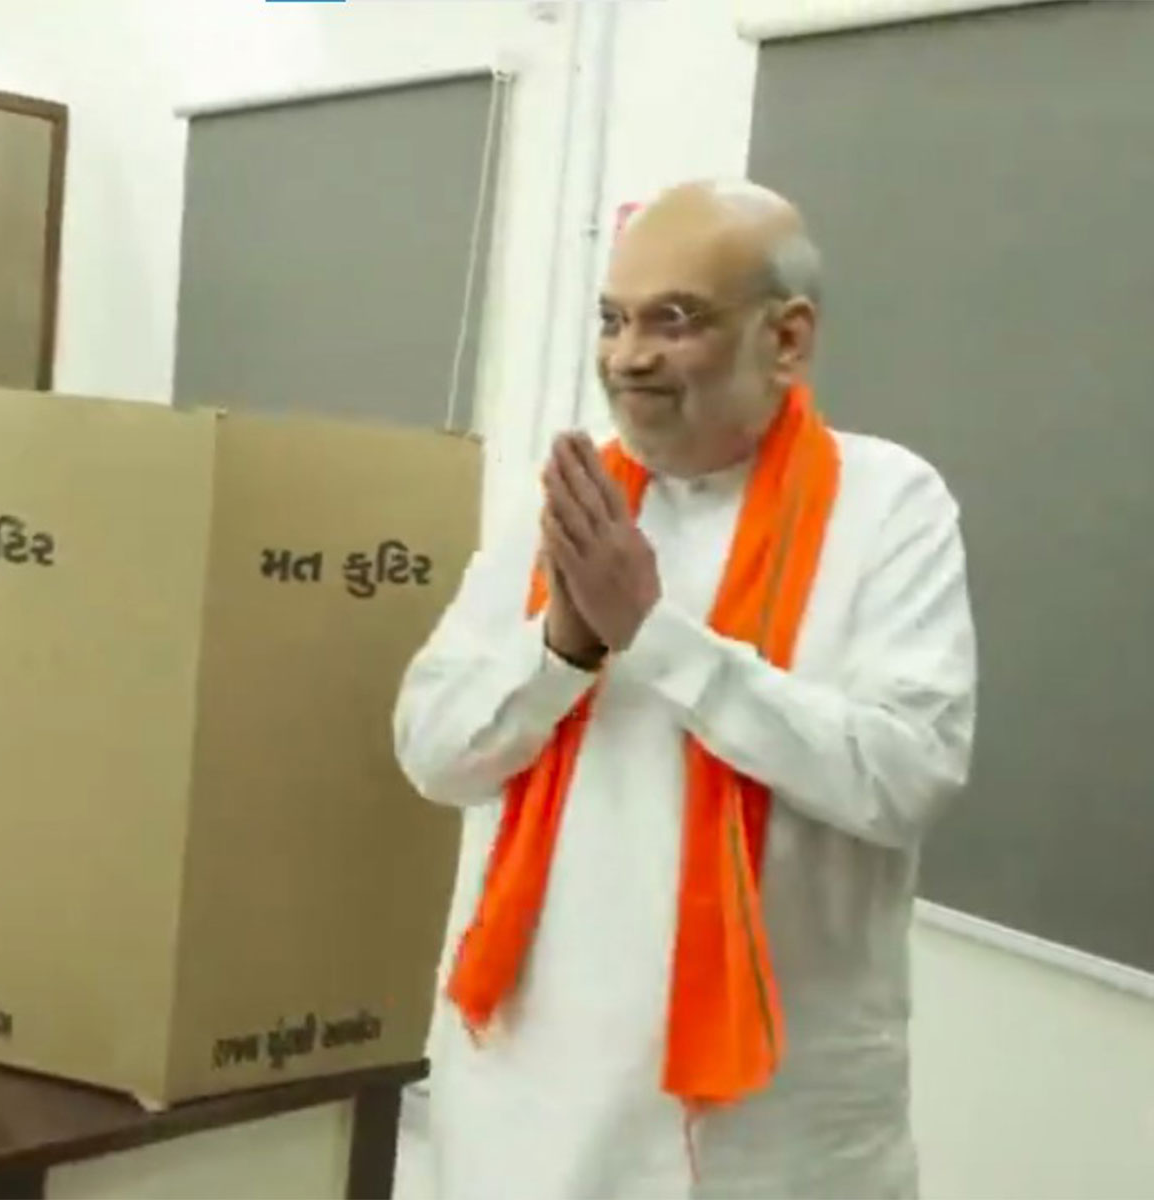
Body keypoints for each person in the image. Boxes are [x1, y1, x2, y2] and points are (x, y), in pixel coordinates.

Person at [392, 179, 977, 1199]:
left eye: (674, 319)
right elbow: (432, 754)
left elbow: (905, 775)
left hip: (773, 1127)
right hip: (535, 1099)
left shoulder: (888, 505)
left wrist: (655, 640)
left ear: (786, 339)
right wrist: (563, 650)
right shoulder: (569, 510)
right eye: (613, 320)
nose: (627, 357)